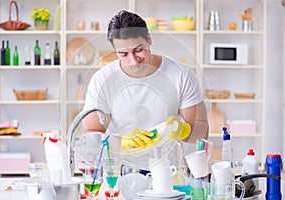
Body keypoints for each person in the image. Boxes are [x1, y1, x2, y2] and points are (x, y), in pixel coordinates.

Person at [82, 10, 208, 168]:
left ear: (149, 38)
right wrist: (120, 141)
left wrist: (182, 130)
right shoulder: (102, 79)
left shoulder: (180, 74)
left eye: (138, 50)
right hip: (120, 171)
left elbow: (202, 128)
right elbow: (92, 134)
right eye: (123, 54)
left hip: (170, 170)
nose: (133, 60)